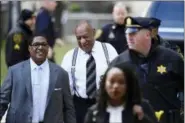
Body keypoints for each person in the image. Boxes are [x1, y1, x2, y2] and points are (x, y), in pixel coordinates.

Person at [110, 16, 184, 123]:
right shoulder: (118, 64)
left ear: (148, 34)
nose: (129, 37)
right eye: (127, 33)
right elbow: (105, 96)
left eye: (133, 33)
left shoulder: (172, 58)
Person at [0, 34, 76, 123]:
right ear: (29, 48)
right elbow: (2, 100)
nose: (40, 47)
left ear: (48, 48)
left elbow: (68, 108)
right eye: (36, 44)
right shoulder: (15, 72)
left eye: (44, 44)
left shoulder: (61, 74)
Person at [61, 20, 118, 123]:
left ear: (94, 32)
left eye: (85, 37)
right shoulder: (69, 57)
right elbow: (65, 89)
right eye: (79, 38)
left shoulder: (109, 51)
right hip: (80, 106)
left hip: (105, 103)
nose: (82, 41)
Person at [84, 63, 157, 123]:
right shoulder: (94, 112)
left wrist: (142, 118)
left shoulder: (142, 107)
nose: (116, 86)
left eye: (121, 82)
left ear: (128, 85)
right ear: (104, 84)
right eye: (112, 81)